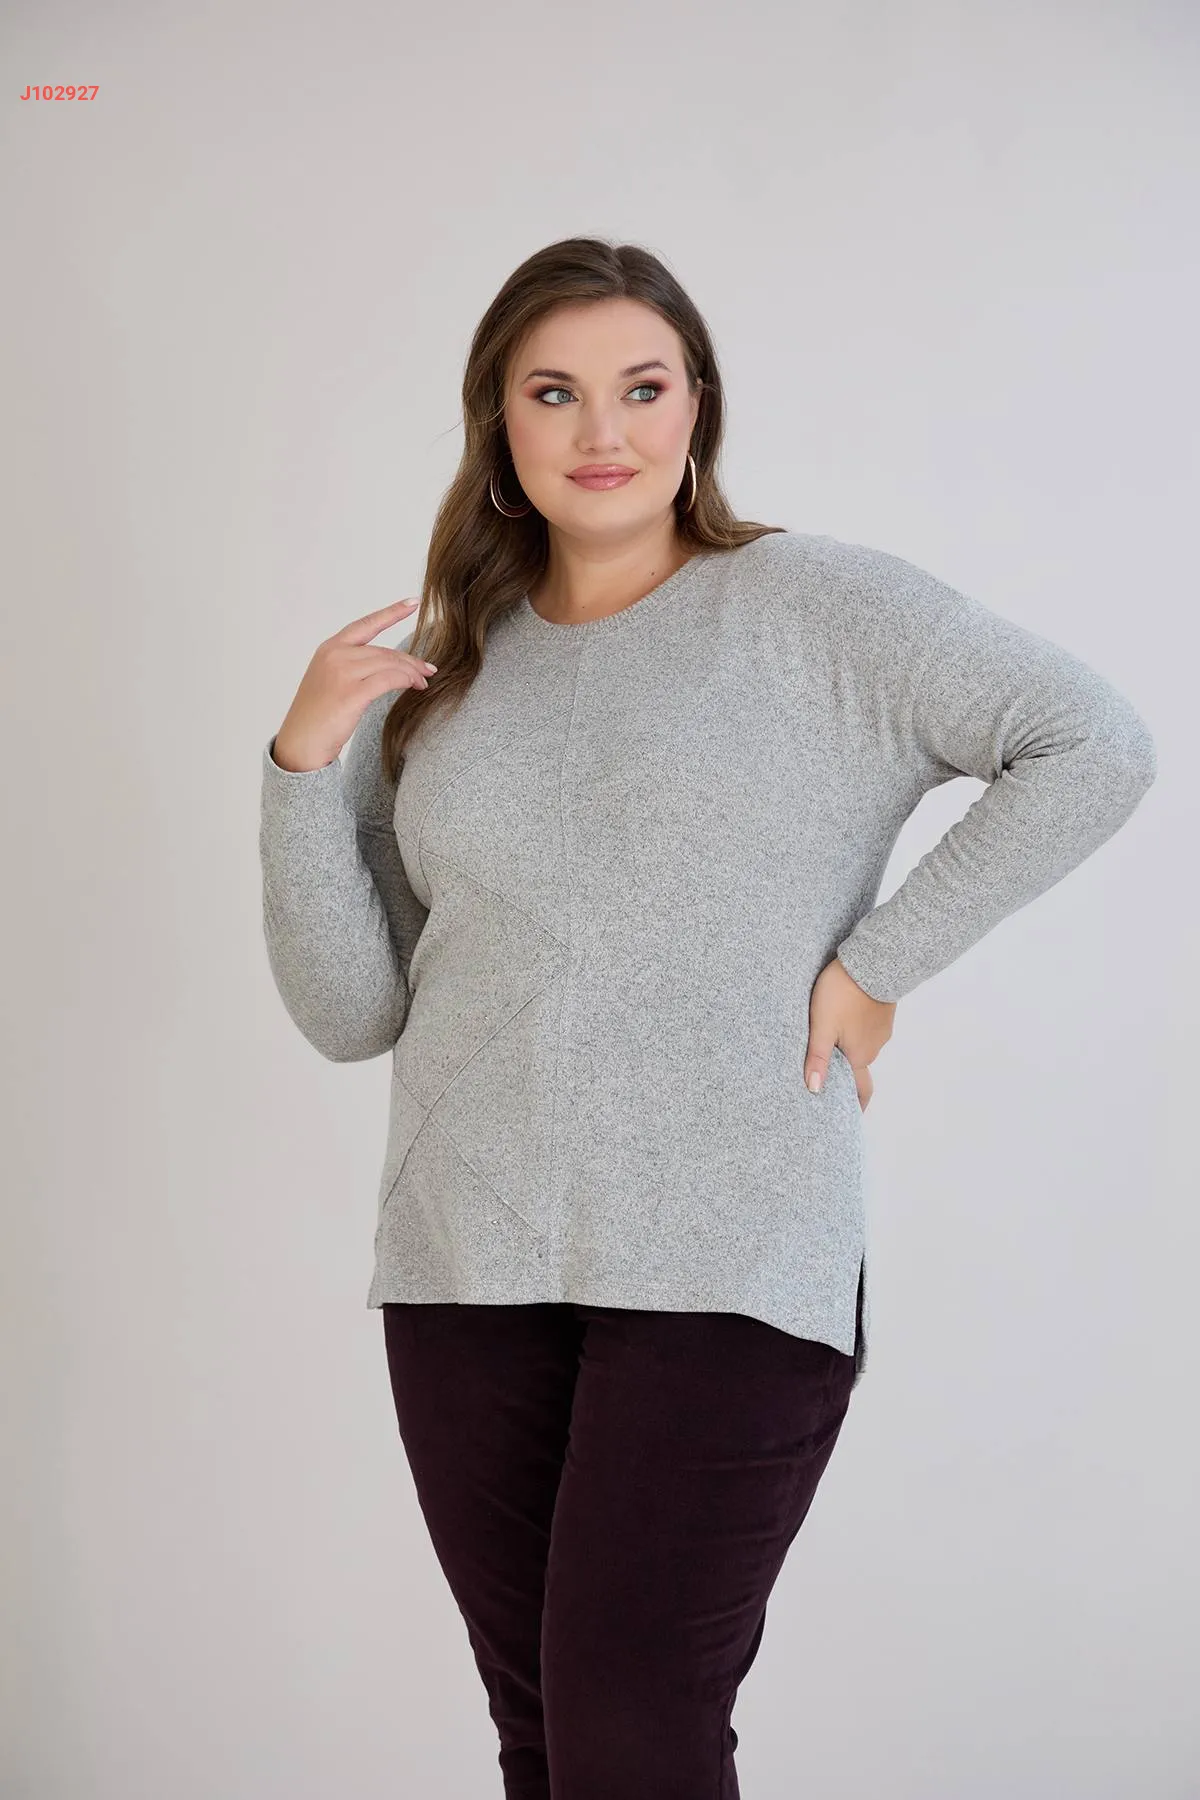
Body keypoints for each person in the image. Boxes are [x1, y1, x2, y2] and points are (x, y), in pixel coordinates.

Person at [258, 236, 1157, 1799]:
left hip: (730, 1253)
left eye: (643, 386)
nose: (602, 429)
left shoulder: (819, 607)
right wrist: (300, 766)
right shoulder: (449, 682)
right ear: (500, 426)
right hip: (464, 1265)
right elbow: (354, 1013)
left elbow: (1094, 744)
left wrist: (880, 964)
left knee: (630, 1716)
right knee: (546, 1731)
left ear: (697, 408)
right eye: (554, 392)